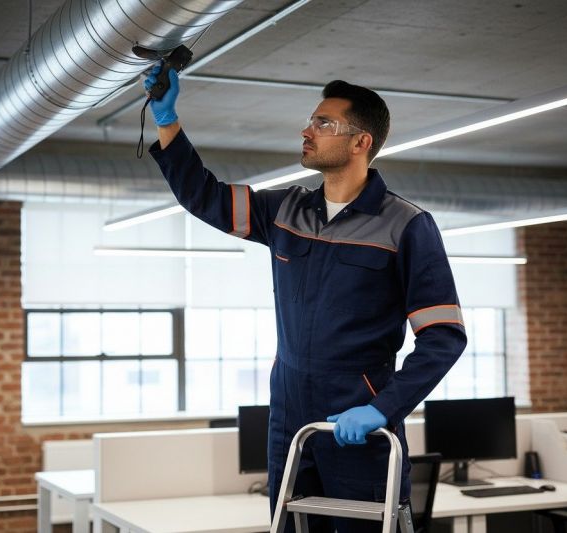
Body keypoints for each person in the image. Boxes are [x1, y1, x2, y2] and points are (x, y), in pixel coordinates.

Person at [144, 63, 467, 532]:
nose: (307, 131)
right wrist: (167, 121)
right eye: (311, 121)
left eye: (323, 124)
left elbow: (443, 337)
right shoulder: (285, 210)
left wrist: (382, 408)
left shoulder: (406, 225)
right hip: (290, 419)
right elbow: (205, 197)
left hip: (358, 420)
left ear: (361, 143)